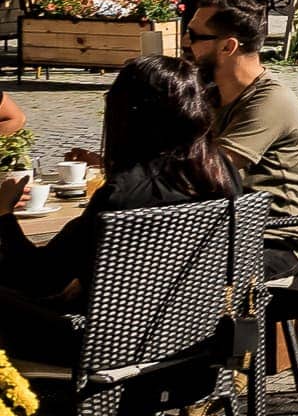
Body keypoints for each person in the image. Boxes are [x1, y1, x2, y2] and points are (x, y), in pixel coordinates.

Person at [0, 57, 239, 352]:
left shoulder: (124, 193)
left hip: (107, 348)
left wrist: (3, 215)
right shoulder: (219, 170)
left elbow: (37, 279)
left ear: (127, 115)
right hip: (193, 339)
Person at [184, 0, 298, 218]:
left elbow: (211, 168)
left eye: (194, 36)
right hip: (225, 224)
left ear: (228, 47)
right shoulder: (211, 94)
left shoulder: (271, 100)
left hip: (274, 237)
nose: (184, 42)